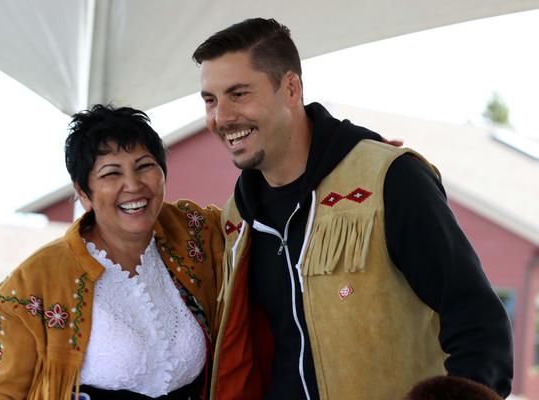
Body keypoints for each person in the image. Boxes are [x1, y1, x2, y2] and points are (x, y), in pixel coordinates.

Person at [192, 18, 513, 400]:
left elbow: (479, 324)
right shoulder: (234, 223)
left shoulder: (389, 180)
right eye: (210, 100)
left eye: (239, 94)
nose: (221, 117)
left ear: (290, 88)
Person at [0, 105, 224, 400]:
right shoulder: (35, 282)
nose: (133, 185)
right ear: (83, 193)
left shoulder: (195, 233)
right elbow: (1, 393)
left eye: (144, 166)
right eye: (111, 173)